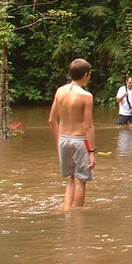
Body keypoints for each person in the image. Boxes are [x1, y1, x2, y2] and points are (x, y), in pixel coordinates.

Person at [48, 58, 96, 212]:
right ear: (86, 75)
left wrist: (58, 141)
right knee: (81, 180)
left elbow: (51, 120)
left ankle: (66, 210)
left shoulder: (60, 91)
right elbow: (88, 126)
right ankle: (76, 216)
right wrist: (92, 152)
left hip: (63, 139)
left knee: (71, 178)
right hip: (80, 141)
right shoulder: (86, 96)